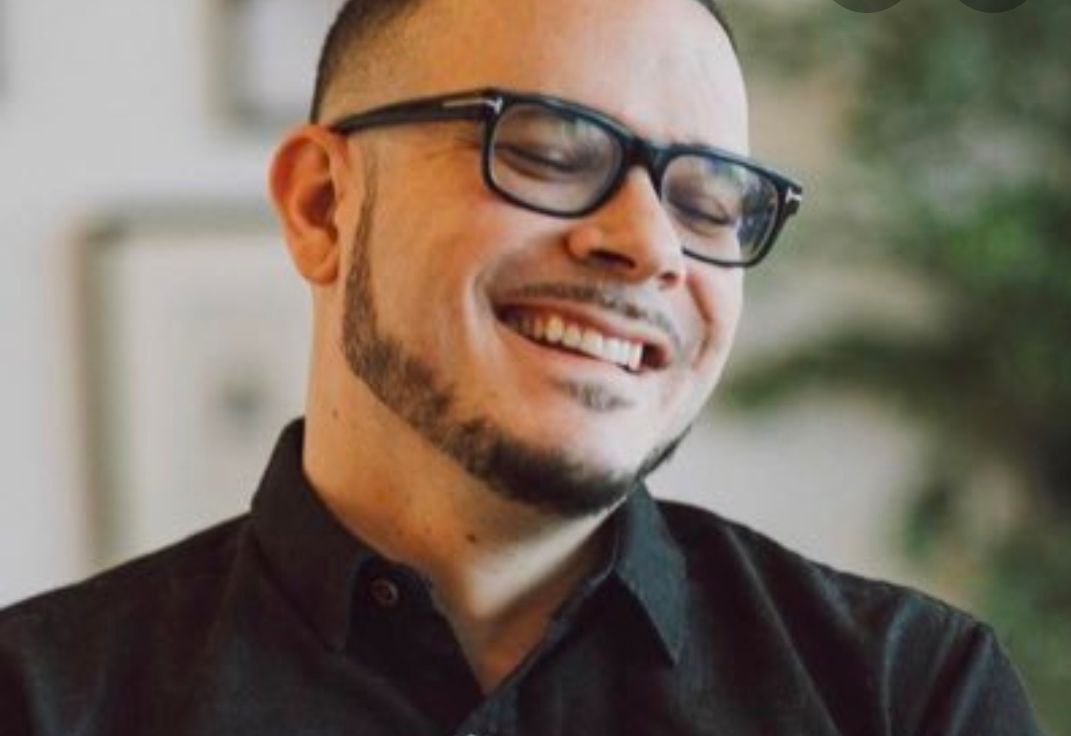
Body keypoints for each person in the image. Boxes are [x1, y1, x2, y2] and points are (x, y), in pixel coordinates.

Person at [0, 0, 1042, 733]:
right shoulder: (39, 700)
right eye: (546, 152)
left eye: (709, 202)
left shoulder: (906, 696)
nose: (650, 245)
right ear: (322, 207)